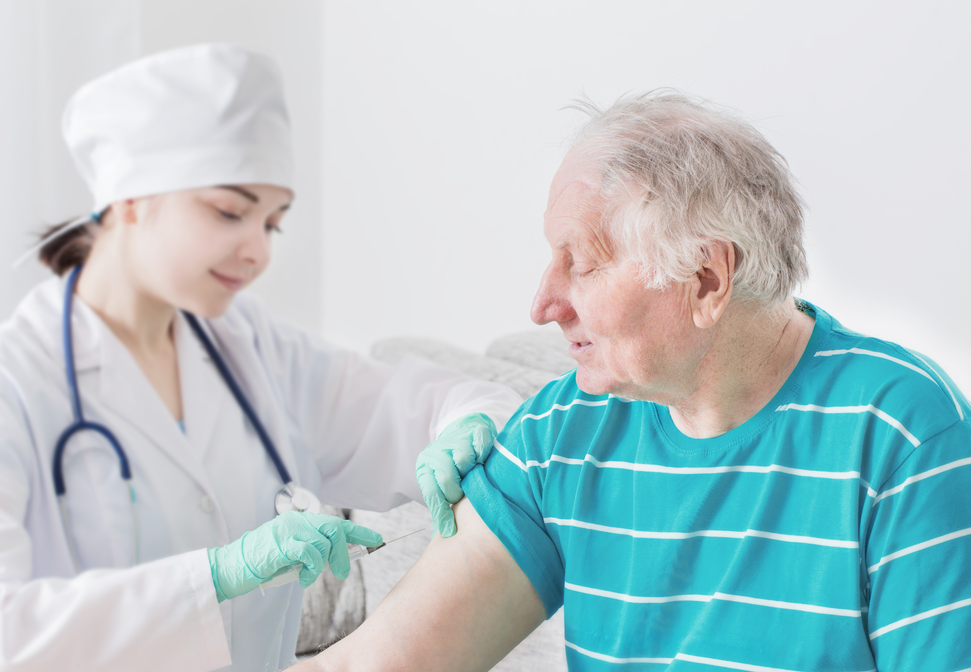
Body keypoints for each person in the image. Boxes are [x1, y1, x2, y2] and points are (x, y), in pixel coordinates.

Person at [292, 91, 971, 671]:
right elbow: (370, 663)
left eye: (581, 263)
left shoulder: (903, 432)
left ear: (706, 278)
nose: (543, 305)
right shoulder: (564, 431)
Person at [0, 44, 521, 672]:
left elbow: (434, 405)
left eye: (273, 223)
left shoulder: (251, 345)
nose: (258, 252)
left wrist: (466, 425)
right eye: (230, 212)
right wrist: (216, 576)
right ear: (129, 199)